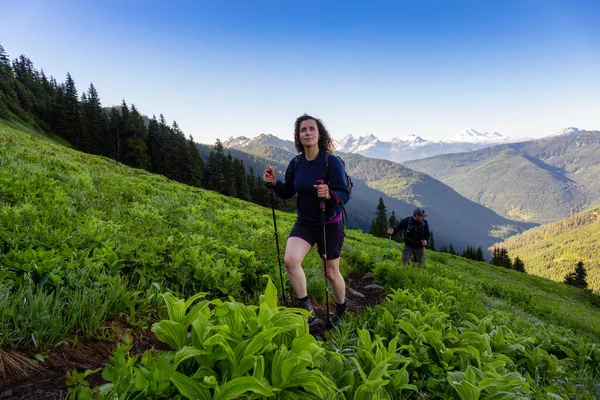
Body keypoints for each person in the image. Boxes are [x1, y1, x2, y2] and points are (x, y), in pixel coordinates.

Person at [263, 114, 350, 327]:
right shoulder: (296, 164)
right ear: (298, 136)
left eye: (312, 129)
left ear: (319, 134)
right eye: (303, 130)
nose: (308, 133)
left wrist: (330, 193)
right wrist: (274, 183)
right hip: (306, 222)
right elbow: (288, 191)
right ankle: (306, 309)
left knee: (331, 273)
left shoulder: (332, 162)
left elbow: (344, 194)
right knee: (291, 261)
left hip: (329, 222)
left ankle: (341, 307)